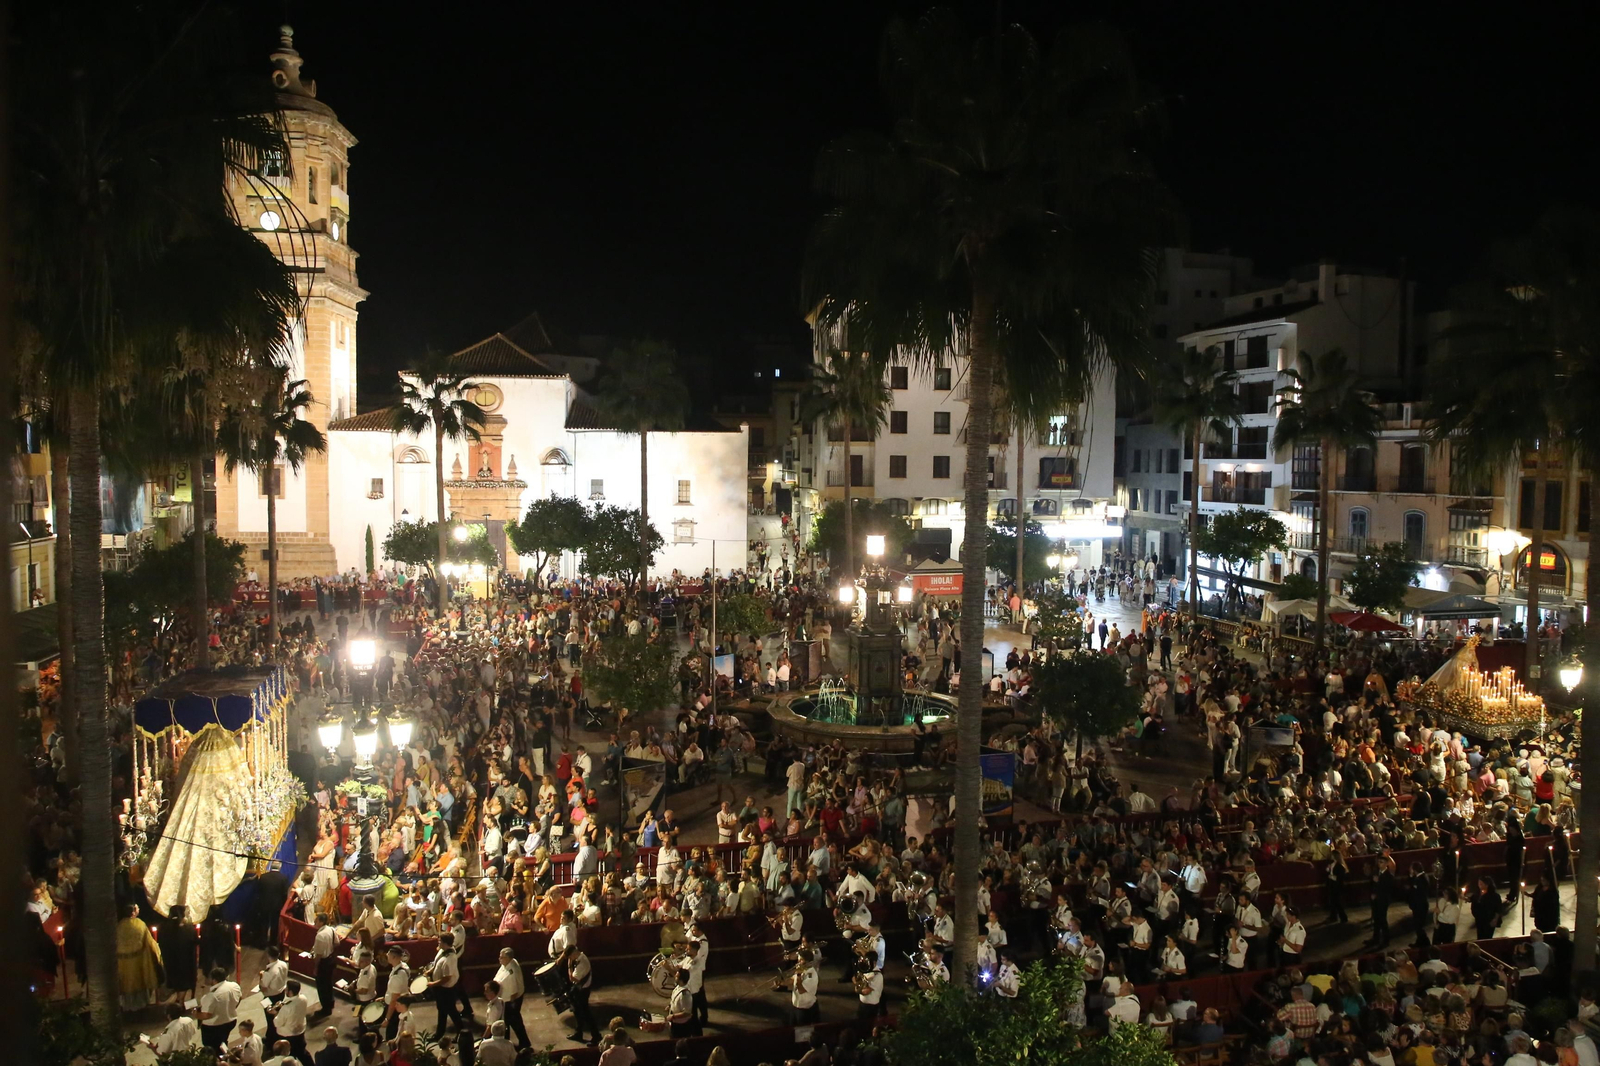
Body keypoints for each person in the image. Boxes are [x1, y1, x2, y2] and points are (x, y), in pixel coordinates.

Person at [116, 903, 162, 1010]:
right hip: (137, 962)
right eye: (137, 908)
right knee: (138, 983)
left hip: (122, 963)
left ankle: (126, 1005)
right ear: (133, 912)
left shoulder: (119, 925)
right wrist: (157, 950)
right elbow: (149, 943)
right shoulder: (140, 924)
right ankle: (139, 1006)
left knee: (125, 984)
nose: (139, 909)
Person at [198, 965, 243, 1051]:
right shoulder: (234, 986)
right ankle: (224, 1057)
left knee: (211, 1047)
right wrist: (232, 1008)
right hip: (230, 1021)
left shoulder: (212, 996)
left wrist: (196, 1014)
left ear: (214, 980)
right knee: (223, 1041)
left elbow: (206, 1015)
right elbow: (240, 997)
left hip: (214, 1027)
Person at [494, 946, 529, 1048]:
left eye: (502, 957)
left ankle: (524, 1043)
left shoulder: (511, 971)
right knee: (509, 1022)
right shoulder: (508, 963)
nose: (499, 959)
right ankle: (510, 1041)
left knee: (514, 1022)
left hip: (511, 1001)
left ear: (508, 958)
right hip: (506, 1000)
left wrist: (511, 1006)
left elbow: (513, 992)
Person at [566, 947, 600, 1045]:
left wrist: (569, 966)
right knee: (578, 1012)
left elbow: (573, 978)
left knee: (586, 1014)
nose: (571, 959)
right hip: (582, 989)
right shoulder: (581, 958)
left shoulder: (582, 963)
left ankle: (596, 1035)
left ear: (572, 954)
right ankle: (578, 1033)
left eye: (570, 957)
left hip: (583, 991)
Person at [274, 979, 311, 1066]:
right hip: (300, 1030)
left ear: (290, 992)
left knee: (289, 1055)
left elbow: (278, 1023)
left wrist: (275, 1014)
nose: (285, 990)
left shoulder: (287, 1007)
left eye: (286, 989)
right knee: (303, 1053)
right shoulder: (303, 998)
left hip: (288, 1034)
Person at [311, 913, 340, 1019]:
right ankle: (330, 1002)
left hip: (323, 963)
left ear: (322, 922)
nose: (315, 922)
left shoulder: (320, 936)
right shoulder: (331, 930)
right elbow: (337, 943)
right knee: (328, 983)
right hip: (331, 959)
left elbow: (318, 955)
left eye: (317, 921)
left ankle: (325, 1009)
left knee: (322, 986)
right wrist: (329, 948)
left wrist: (315, 967)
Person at [383, 946, 412, 1041]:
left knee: (392, 1033)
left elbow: (394, 999)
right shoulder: (404, 966)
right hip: (401, 1003)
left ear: (394, 957)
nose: (386, 955)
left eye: (388, 954)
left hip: (395, 1008)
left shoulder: (397, 976)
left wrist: (387, 1018)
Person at [668, 969, 694, 1039]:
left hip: (681, 1026)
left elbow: (687, 1013)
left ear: (681, 980)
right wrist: (670, 1006)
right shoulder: (678, 987)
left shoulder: (685, 995)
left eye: (676, 977)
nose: (675, 978)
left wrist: (673, 1016)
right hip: (675, 1023)